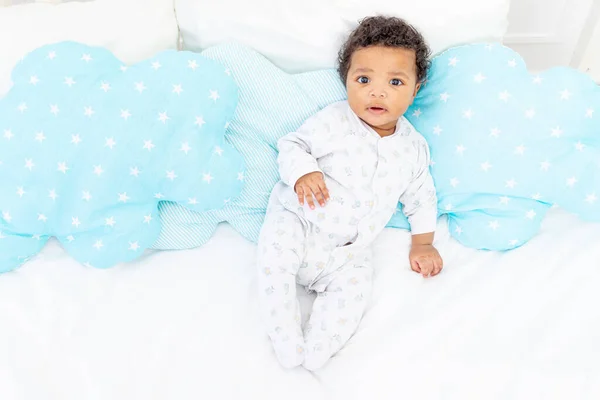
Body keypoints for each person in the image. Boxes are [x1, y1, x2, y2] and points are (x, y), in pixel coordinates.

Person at [256, 16, 444, 371]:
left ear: (416, 89)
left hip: (350, 250)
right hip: (301, 221)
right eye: (363, 79)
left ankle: (319, 348)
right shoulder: (335, 121)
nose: (378, 92)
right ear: (346, 81)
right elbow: (293, 145)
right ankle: (284, 334)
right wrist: (304, 173)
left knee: (355, 292)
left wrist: (423, 243)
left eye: (395, 82)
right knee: (274, 263)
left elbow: (422, 196)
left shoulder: (413, 147)